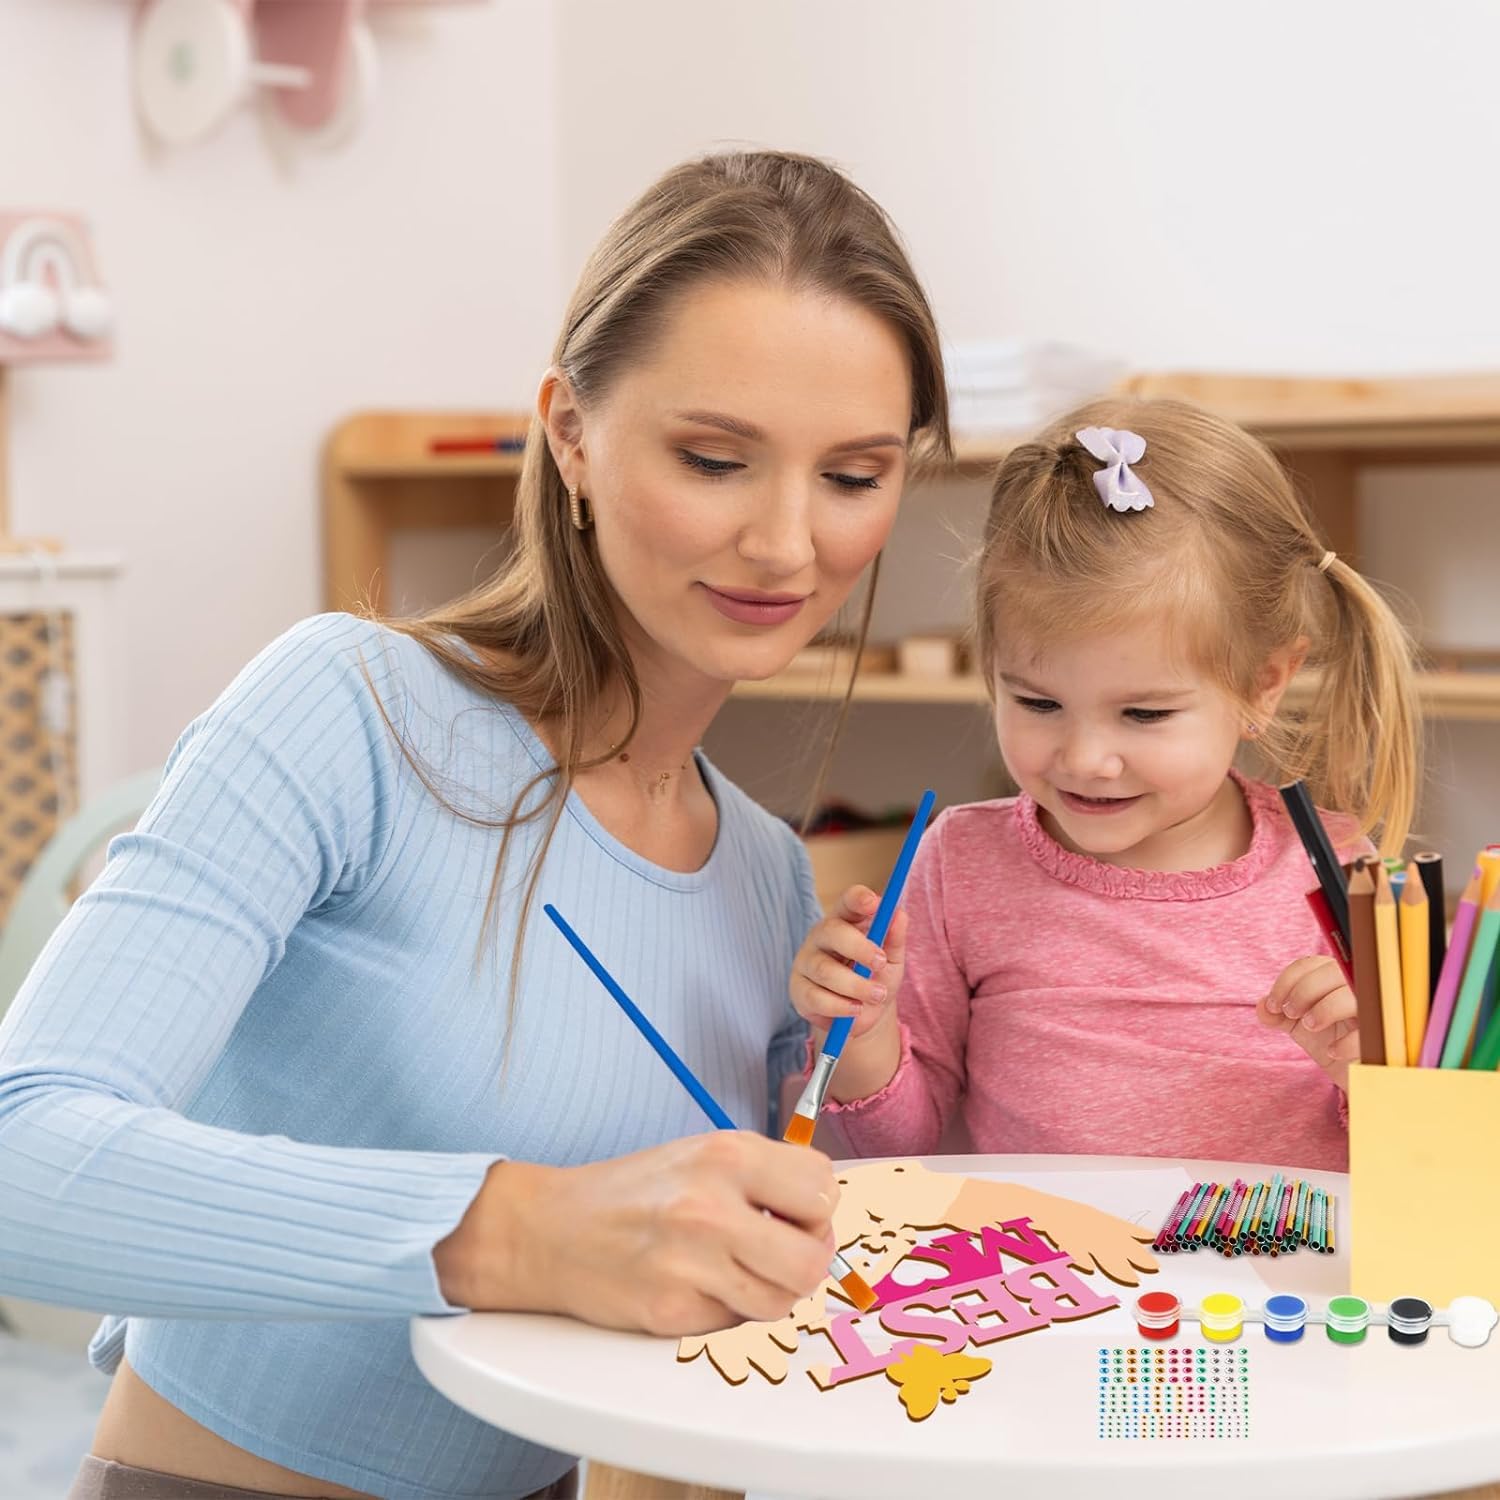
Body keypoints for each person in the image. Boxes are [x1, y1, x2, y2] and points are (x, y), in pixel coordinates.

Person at [0, 149, 950, 1500]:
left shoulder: (765, 875)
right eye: (715, 459)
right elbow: (18, 1155)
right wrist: (514, 1231)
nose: (789, 544)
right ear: (569, 431)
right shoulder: (353, 714)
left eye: (853, 477)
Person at [792, 397, 1419, 1172]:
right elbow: (901, 1154)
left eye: (1146, 713)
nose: (1087, 758)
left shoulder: (1340, 870)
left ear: (1263, 685)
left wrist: (1365, 1070)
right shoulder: (960, 860)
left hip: (1272, 1287)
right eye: (1038, 702)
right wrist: (861, 1032)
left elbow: (1415, 1170)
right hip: (1053, 1284)